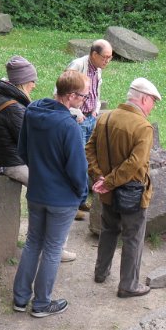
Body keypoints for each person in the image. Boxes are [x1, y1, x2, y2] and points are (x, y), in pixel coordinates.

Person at [11, 70, 89, 317]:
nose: (85, 101)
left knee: (33, 243)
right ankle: (42, 304)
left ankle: (20, 298)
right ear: (71, 96)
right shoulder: (69, 127)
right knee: (53, 249)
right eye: (84, 97)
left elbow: (22, 151)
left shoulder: (32, 111)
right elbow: (77, 169)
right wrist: (81, 193)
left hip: (36, 192)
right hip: (62, 199)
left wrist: (42, 172)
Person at [86, 78, 160, 298]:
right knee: (133, 237)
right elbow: (135, 163)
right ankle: (128, 285)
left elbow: (89, 148)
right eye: (152, 101)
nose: (153, 106)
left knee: (108, 230)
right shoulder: (143, 127)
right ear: (144, 99)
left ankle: (101, 272)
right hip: (132, 194)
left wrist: (100, 177)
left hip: (107, 193)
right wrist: (108, 180)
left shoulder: (105, 118)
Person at [67, 39, 113, 220]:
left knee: (90, 159)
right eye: (105, 57)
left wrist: (96, 109)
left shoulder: (98, 70)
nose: (107, 61)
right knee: (78, 161)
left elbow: (95, 92)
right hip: (77, 119)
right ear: (94, 54)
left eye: (110, 58)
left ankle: (82, 200)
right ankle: (74, 204)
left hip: (90, 118)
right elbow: (61, 89)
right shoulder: (78, 65)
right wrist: (75, 112)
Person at [0, 55, 37, 186]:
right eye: (32, 81)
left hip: (0, 156)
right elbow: (29, 143)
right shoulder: (14, 107)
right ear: (23, 82)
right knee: (47, 185)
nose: (34, 85)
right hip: (9, 163)